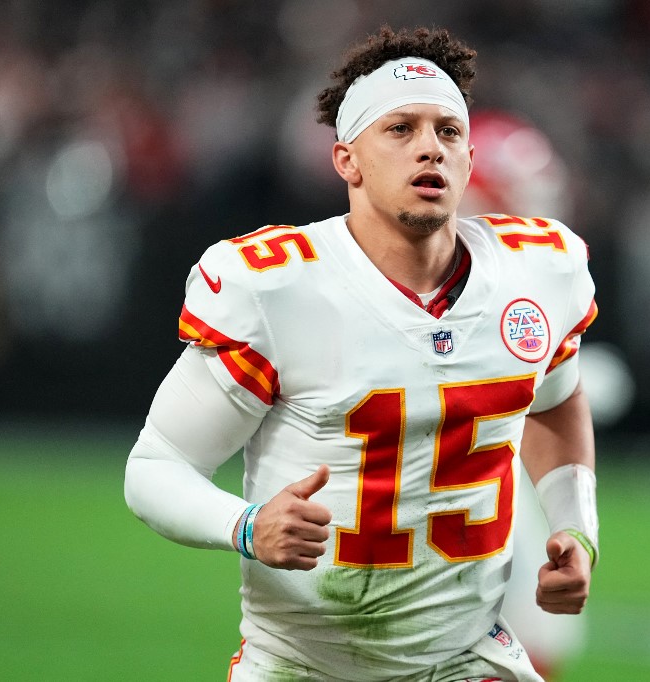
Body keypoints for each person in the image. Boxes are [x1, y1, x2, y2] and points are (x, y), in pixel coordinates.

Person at [125, 25, 600, 682]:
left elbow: (556, 401)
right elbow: (155, 466)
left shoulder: (539, 271)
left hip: (469, 659)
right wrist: (247, 524)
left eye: (447, 131)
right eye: (400, 129)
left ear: (467, 160)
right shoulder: (278, 287)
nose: (429, 147)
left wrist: (577, 527)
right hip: (304, 665)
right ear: (347, 159)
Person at [458, 109, 588, 679]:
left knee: (539, 634)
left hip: (490, 468)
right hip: (449, 476)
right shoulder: (458, 271)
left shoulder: (528, 272)